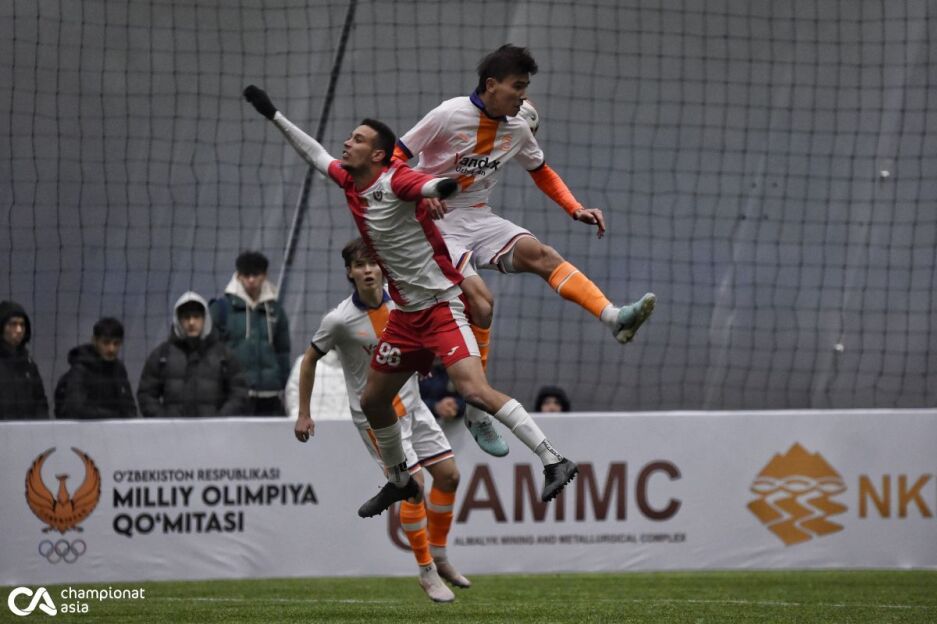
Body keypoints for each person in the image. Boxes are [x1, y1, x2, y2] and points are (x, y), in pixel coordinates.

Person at [244, 84, 577, 521]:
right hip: (405, 317)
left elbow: (426, 183)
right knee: (373, 401)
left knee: (474, 391)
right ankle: (400, 480)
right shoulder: (350, 181)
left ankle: (554, 459)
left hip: (440, 308)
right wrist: (273, 114)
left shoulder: (397, 180)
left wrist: (440, 188)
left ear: (379, 155)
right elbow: (314, 153)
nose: (347, 143)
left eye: (358, 139)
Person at [393, 44, 656, 456]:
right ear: (491, 85)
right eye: (517, 86)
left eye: (525, 87)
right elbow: (395, 160)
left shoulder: (516, 129)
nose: (523, 95)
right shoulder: (448, 115)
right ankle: (476, 408)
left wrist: (574, 207)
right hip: (433, 225)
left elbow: (541, 171)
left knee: (542, 254)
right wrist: (423, 191)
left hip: (478, 217)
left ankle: (613, 317)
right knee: (481, 303)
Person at [294, 238, 469, 602]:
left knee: (450, 476)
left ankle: (440, 555)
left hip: (415, 407)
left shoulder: (403, 300)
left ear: (382, 267)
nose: (368, 270)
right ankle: (426, 572)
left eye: (372, 263)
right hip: (378, 420)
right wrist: (304, 413)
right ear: (350, 273)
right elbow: (309, 359)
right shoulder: (339, 320)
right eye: (360, 265)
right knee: (413, 486)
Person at [138, 292, 248, 418]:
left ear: (205, 319)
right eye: (186, 317)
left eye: (196, 317)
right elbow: (146, 395)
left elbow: (239, 393)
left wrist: (220, 420)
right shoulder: (162, 356)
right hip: (173, 430)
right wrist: (165, 421)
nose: (191, 322)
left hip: (213, 429)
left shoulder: (223, 355)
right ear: (178, 320)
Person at [210, 251, 291, 416]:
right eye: (246, 275)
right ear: (238, 276)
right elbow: (212, 352)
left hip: (270, 395)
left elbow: (283, 352)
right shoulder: (222, 308)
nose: (251, 280)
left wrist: (284, 384)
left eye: (256, 274)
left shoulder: (275, 310)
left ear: (265, 275)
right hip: (234, 395)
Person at [54, 317, 137, 419]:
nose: (111, 349)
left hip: (116, 427)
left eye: (116, 343)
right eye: (106, 343)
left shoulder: (119, 369)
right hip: (83, 428)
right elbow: (77, 409)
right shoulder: (80, 370)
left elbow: (129, 406)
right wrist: (114, 417)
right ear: (94, 341)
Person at [0, 300, 49, 420]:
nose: (19, 330)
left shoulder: (29, 365)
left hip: (28, 429)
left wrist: (39, 426)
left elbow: (40, 401)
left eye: (22, 325)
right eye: (13, 324)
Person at [284, 350, 350, 420]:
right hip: (311, 424)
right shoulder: (304, 362)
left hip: (348, 424)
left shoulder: (355, 366)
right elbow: (292, 397)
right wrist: (299, 418)